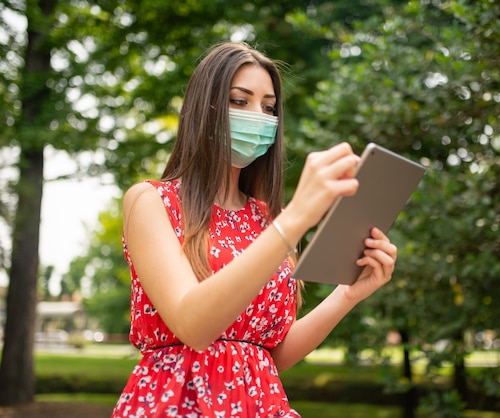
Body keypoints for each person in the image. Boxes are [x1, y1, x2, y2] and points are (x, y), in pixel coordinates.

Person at [111, 41, 397, 418]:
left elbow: (265, 355)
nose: (258, 117)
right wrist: (295, 219)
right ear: (204, 108)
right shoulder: (150, 202)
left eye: (269, 107)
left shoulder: (267, 220)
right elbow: (193, 326)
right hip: (177, 405)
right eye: (239, 101)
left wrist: (347, 295)